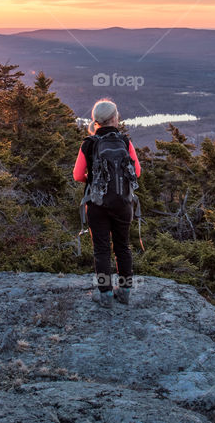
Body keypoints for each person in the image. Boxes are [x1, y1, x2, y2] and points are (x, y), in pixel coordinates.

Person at [73, 99, 141, 308]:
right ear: (114, 118)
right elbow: (136, 172)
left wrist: (94, 181)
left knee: (101, 249)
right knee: (123, 247)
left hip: (97, 203)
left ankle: (105, 295)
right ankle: (126, 291)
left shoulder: (89, 143)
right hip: (123, 203)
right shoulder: (125, 141)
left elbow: (77, 175)